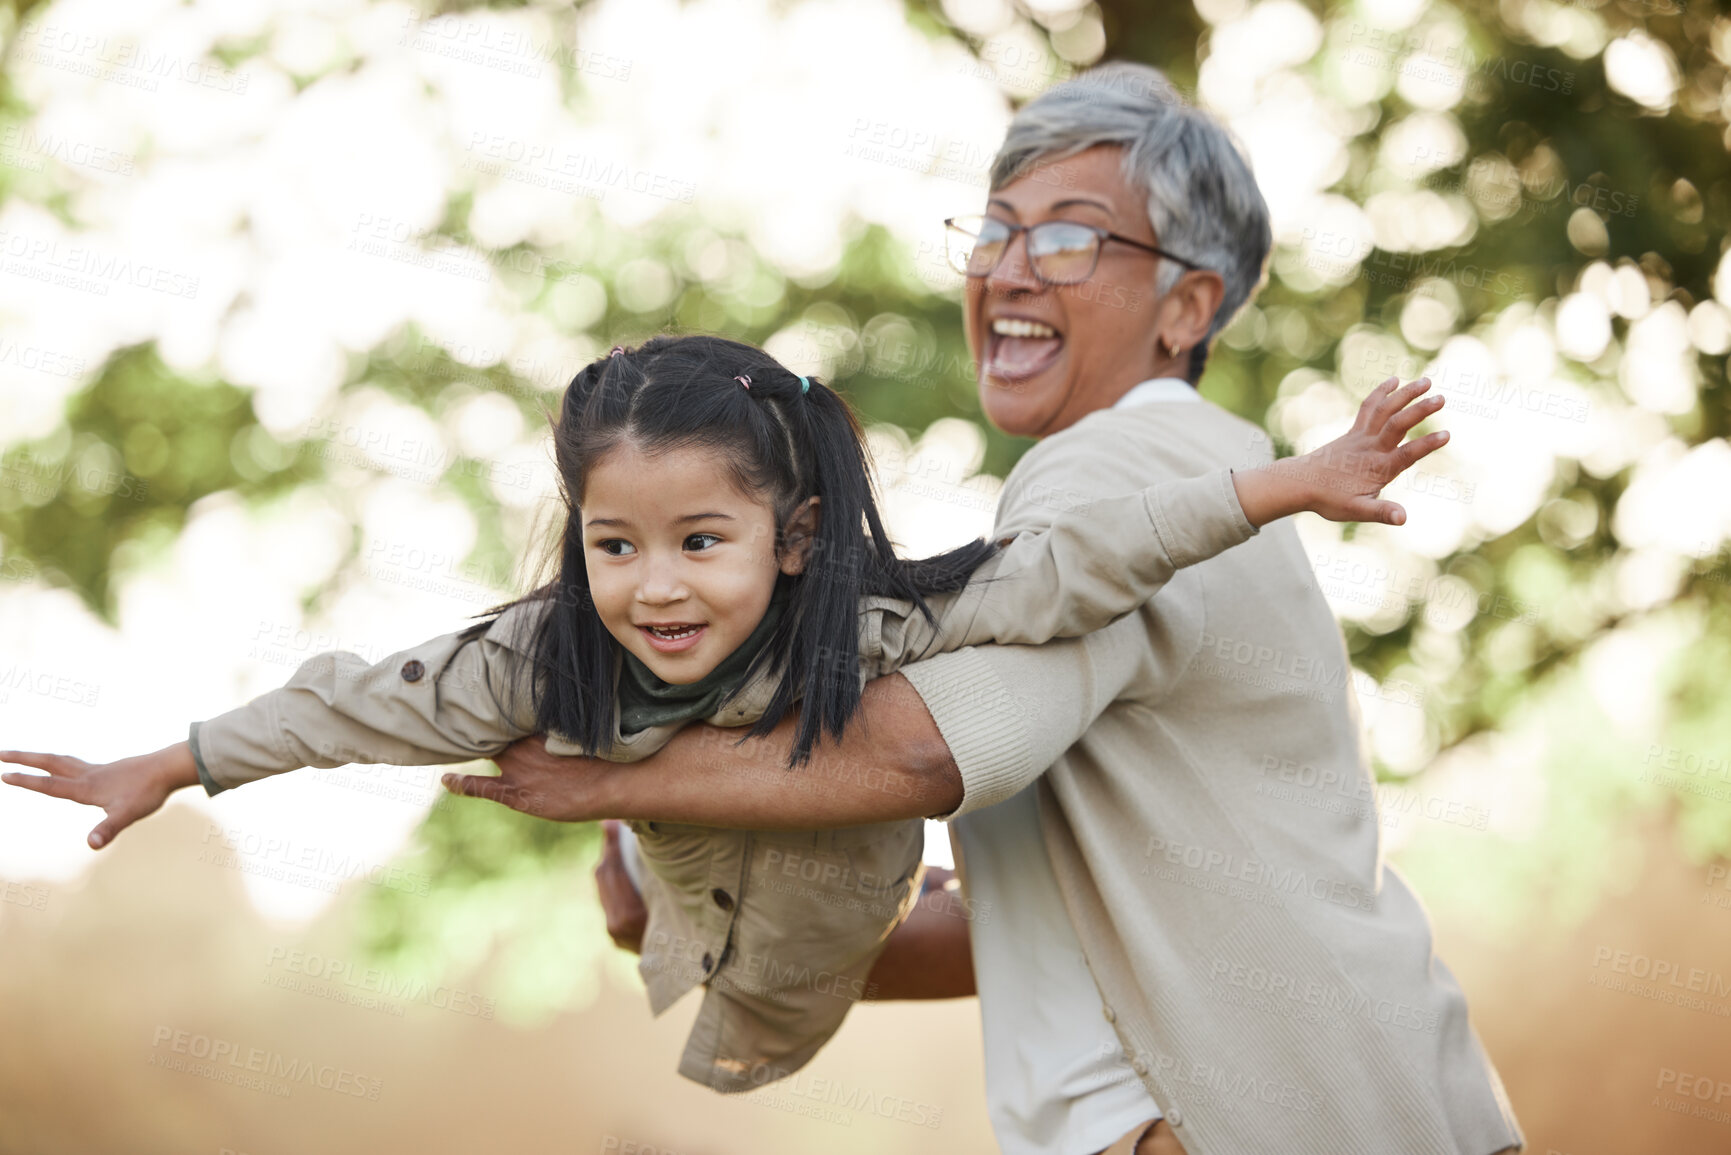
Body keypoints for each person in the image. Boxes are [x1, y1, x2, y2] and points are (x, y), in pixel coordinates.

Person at [450, 64, 1525, 1155]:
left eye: (1068, 240)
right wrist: (701, 920)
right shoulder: (1187, 473)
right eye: (995, 232)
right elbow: (1016, 929)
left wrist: (618, 781)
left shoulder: (1115, 465)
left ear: (1187, 307)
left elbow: (920, 754)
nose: (1010, 272)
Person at [0, 332, 1443, 1098]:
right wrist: (172, 759)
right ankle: (640, 855)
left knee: (854, 914)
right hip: (708, 911)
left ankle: (818, 870)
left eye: (701, 540)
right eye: (614, 544)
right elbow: (354, 706)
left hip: (840, 896)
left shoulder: (875, 617)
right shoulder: (543, 659)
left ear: (793, 535)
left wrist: (1278, 482)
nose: (653, 584)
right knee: (640, 916)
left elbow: (1070, 566)